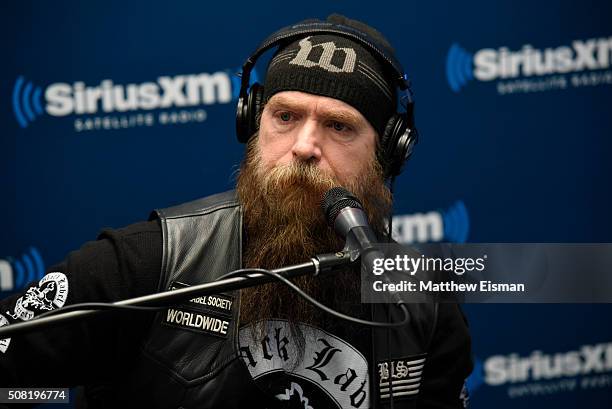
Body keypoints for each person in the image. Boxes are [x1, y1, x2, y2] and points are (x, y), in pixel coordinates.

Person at [0, 14, 472, 409]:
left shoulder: (423, 302)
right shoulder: (147, 264)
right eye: (285, 117)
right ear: (253, 122)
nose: (305, 147)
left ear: (387, 154)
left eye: (339, 126)